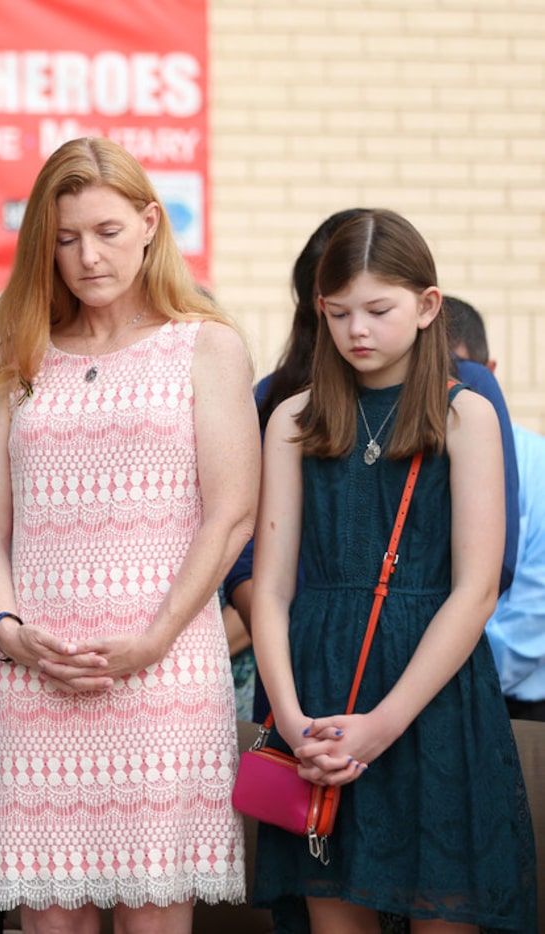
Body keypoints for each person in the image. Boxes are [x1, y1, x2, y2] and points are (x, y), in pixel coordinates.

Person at [0, 137, 255, 931]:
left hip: (161, 678)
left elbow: (230, 513)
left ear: (150, 224)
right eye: (64, 239)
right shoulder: (16, 356)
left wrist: (156, 638)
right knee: (49, 922)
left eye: (106, 231)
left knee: (153, 918)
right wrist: (7, 628)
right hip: (33, 675)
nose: (86, 255)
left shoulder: (206, 345)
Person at [251, 209, 535, 929]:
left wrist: (382, 724)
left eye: (378, 310)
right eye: (337, 311)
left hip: (431, 693)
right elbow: (272, 585)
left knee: (446, 908)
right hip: (317, 689)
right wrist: (288, 719)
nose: (356, 331)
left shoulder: (465, 414)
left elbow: (474, 591)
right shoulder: (292, 417)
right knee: (332, 913)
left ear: (426, 306)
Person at [445, 295, 545, 721]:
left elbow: (535, 604)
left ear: (488, 376)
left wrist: (454, 672)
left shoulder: (536, 463)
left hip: (516, 700)